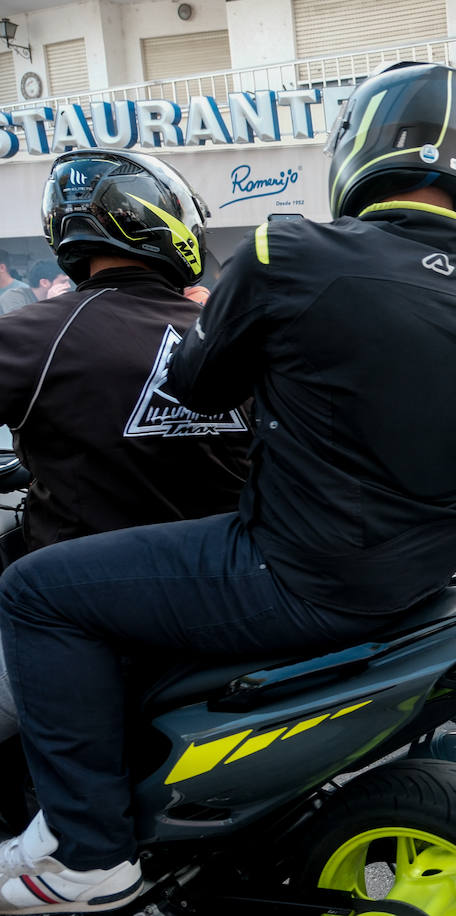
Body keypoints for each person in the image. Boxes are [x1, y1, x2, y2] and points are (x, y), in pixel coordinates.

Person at [0, 62, 456, 912]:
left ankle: (89, 853)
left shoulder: (282, 249)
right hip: (420, 575)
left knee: (34, 592)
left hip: (288, 574)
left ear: (359, 149)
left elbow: (199, 386)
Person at [0, 150, 252, 754]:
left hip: (86, 602)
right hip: (232, 583)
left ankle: (75, 833)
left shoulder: (39, 333)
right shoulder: (226, 330)